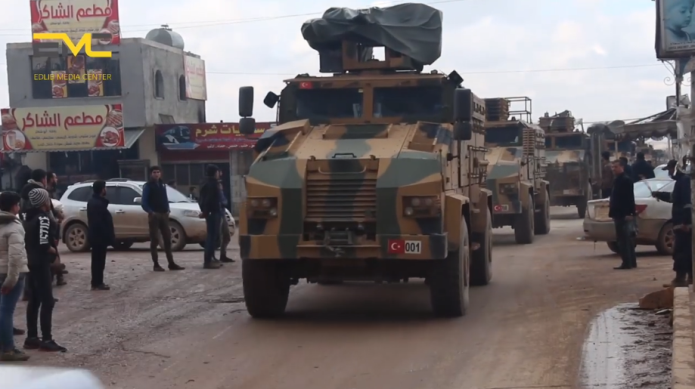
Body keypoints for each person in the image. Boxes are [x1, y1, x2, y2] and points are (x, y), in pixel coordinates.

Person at [23, 188, 66, 352]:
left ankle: (32, 337)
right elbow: (43, 243)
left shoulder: (28, 217)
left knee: (34, 300)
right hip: (41, 263)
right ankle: (47, 339)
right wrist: (53, 251)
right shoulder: (43, 219)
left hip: (30, 262)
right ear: (43, 202)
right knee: (47, 301)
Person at [0, 192, 30, 361]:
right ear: (13, 206)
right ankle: (8, 348)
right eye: (18, 204)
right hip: (11, 274)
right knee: (6, 311)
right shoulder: (14, 226)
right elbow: (15, 257)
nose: (19, 207)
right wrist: (11, 280)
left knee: (2, 310)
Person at [654, 160, 693, 286]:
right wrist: (660, 195)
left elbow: (687, 202)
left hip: (683, 224)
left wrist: (685, 222)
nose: (670, 172)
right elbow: (674, 197)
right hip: (680, 222)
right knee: (686, 251)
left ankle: (681, 279)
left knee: (681, 251)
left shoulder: (684, 181)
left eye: (670, 169)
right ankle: (688, 278)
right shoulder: (681, 182)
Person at [141, 167, 185, 272]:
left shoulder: (162, 185)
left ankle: (171, 263)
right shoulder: (148, 186)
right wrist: (151, 212)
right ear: (151, 174)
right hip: (154, 215)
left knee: (167, 239)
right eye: (154, 172)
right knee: (155, 240)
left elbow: (165, 199)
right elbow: (144, 202)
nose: (156, 174)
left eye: (158, 172)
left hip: (164, 214)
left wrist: (167, 209)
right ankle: (156, 264)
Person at [609, 160, 637, 270]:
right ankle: (631, 262)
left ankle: (627, 263)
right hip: (618, 213)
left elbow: (629, 198)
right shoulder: (618, 180)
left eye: (615, 167)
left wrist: (630, 213)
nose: (613, 169)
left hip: (623, 214)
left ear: (622, 167)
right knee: (626, 239)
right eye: (612, 167)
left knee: (624, 240)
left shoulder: (626, 180)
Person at [86, 181, 114, 291]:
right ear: (102, 189)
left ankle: (97, 281)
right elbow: (99, 222)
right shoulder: (97, 204)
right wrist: (107, 236)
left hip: (97, 236)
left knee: (98, 260)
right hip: (98, 237)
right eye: (105, 188)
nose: (106, 190)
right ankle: (97, 282)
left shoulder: (96, 202)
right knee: (98, 261)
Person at [199, 165, 223, 269]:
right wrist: (206, 211)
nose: (219, 174)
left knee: (213, 237)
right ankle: (208, 261)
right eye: (218, 172)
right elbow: (208, 199)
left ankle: (211, 258)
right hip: (213, 212)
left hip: (211, 212)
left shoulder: (205, 183)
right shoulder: (212, 184)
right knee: (211, 237)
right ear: (214, 173)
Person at [217, 181, 233, 263]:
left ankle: (223, 255)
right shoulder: (217, 193)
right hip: (218, 214)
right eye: (219, 184)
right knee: (220, 236)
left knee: (226, 236)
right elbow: (223, 202)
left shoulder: (221, 192)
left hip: (222, 213)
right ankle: (219, 256)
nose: (221, 186)